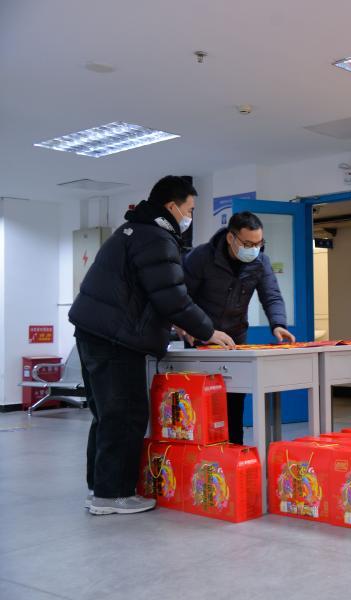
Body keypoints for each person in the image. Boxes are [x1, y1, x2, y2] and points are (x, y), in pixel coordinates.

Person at [69, 175, 235, 516]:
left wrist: (179, 324)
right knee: (125, 414)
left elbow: (145, 292)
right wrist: (207, 330)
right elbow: (172, 296)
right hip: (117, 340)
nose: (190, 216)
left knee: (106, 415)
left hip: (94, 333)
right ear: (172, 207)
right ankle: (113, 495)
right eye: (190, 209)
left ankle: (100, 488)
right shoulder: (156, 238)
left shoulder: (132, 230)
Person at [183, 211, 294, 444]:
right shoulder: (201, 257)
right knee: (202, 403)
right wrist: (189, 326)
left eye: (259, 243)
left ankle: (234, 452)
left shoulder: (260, 261)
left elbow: (271, 295)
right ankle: (203, 454)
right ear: (230, 238)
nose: (254, 249)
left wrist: (278, 324)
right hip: (202, 339)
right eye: (248, 244)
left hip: (235, 339)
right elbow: (182, 296)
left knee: (234, 401)